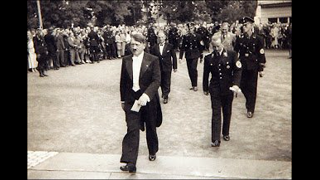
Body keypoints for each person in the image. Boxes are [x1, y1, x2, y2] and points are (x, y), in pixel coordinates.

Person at [119, 33, 162, 173]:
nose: (134, 47)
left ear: (144, 45)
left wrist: (146, 95)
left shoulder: (153, 60)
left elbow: (157, 80)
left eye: (137, 44)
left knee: (150, 126)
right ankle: (131, 162)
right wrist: (123, 100)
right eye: (132, 44)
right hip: (132, 100)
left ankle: (152, 150)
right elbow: (123, 82)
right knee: (132, 129)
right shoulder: (126, 60)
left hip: (148, 100)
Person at [203, 35, 242, 147]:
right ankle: (215, 138)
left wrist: (236, 84)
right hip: (215, 88)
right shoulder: (209, 58)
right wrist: (205, 88)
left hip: (228, 88)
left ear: (222, 44)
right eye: (214, 47)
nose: (216, 49)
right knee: (216, 113)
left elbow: (238, 70)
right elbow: (206, 74)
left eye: (218, 46)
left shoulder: (232, 55)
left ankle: (225, 132)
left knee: (227, 111)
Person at [234, 16, 266, 118]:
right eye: (243, 25)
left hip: (253, 66)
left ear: (251, 25)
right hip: (243, 65)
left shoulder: (258, 38)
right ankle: (249, 100)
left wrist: (261, 68)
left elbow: (261, 53)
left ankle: (250, 108)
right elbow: (236, 52)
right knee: (242, 85)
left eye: (246, 25)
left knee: (252, 87)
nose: (244, 27)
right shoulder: (240, 39)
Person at [150, 31, 177, 104]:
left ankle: (166, 95)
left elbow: (174, 57)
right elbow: (151, 58)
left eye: (162, 37)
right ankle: (163, 92)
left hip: (167, 66)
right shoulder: (154, 47)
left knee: (167, 80)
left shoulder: (170, 46)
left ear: (165, 38)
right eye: (159, 37)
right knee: (160, 81)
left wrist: (175, 66)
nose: (161, 39)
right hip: (158, 67)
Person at [179, 22, 203, 91]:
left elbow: (200, 46)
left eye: (191, 28)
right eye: (189, 28)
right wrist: (180, 57)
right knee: (189, 70)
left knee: (193, 69)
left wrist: (201, 55)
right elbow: (182, 47)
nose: (190, 29)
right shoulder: (186, 36)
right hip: (188, 55)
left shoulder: (198, 36)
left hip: (195, 54)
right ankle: (193, 84)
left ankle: (195, 85)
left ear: (194, 28)